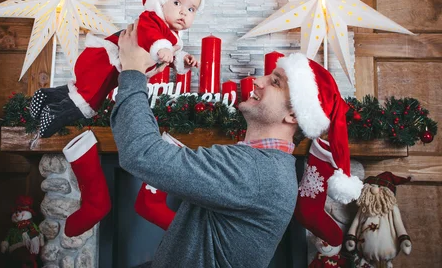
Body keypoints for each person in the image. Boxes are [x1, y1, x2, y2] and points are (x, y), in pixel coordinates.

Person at [110, 23, 362, 267]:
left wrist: (132, 73)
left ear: (294, 116)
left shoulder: (255, 170)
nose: (257, 81)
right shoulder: (259, 163)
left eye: (275, 82)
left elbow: (141, 153)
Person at [29, 0, 205, 139]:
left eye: (191, 9)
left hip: (113, 70)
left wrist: (182, 60)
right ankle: (53, 117)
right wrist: (162, 48)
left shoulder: (170, 35)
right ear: (161, 1)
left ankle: (47, 97)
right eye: (177, 3)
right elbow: (150, 37)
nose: (183, 12)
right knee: (89, 99)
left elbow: (168, 53)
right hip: (105, 63)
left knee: (82, 89)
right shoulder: (151, 20)